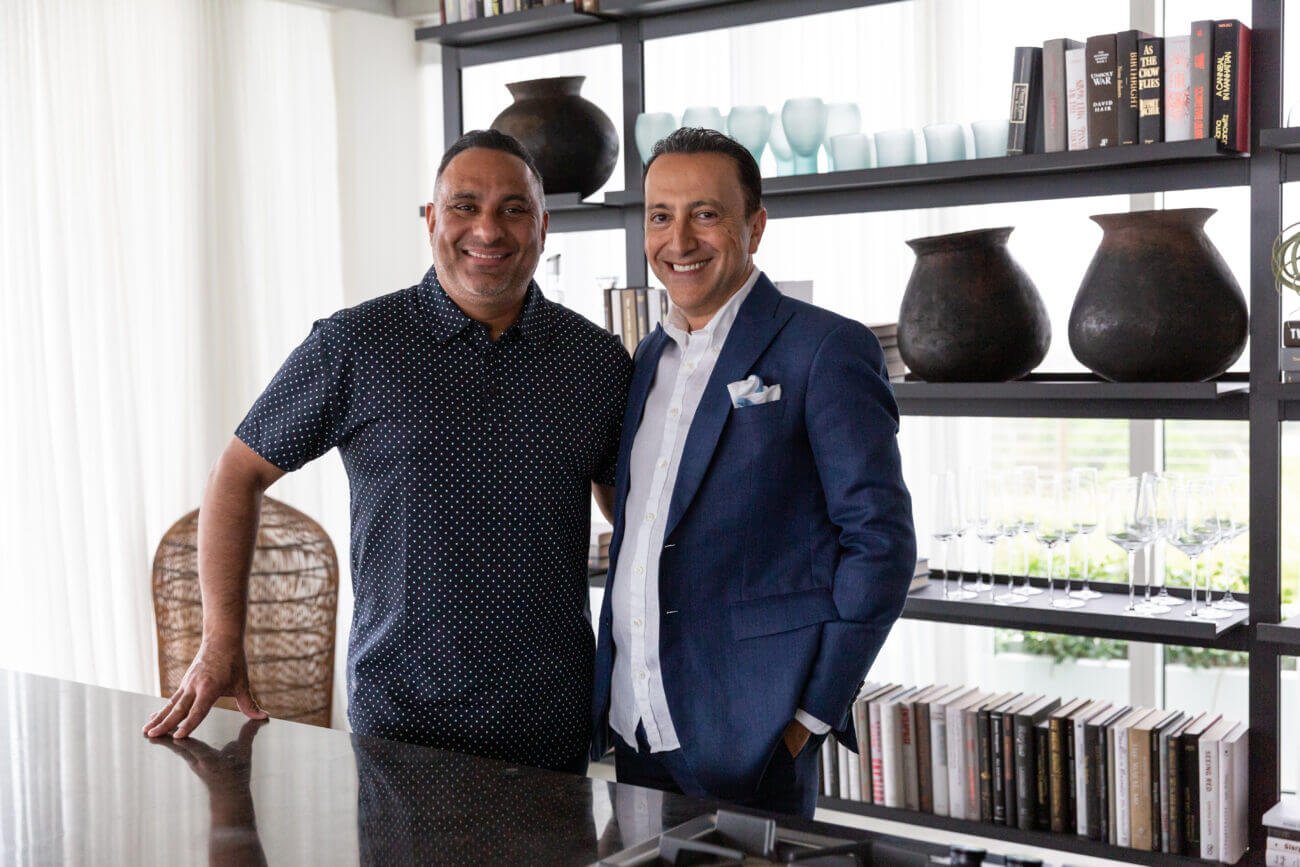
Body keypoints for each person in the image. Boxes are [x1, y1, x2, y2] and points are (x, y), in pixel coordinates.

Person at [145, 129, 633, 774]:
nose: (487, 230)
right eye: (464, 206)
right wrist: (220, 641)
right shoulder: (356, 344)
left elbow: (633, 520)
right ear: (431, 220)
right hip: (401, 724)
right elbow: (236, 475)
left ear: (543, 227)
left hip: (550, 723)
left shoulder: (594, 361)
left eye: (513, 209)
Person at [590, 127, 916, 817]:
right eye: (660, 216)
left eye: (705, 214)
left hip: (757, 730)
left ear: (755, 225)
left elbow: (881, 543)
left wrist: (811, 714)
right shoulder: (646, 357)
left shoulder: (826, 347)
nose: (679, 240)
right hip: (637, 722)